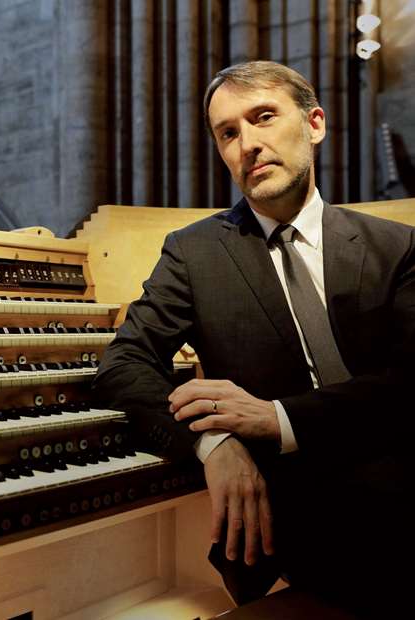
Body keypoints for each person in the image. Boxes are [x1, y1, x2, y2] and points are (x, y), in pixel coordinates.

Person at [93, 60, 412, 616]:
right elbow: (125, 361)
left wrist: (277, 419)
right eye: (228, 132)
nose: (248, 144)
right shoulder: (195, 253)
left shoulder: (397, 248)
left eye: (264, 117)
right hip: (303, 527)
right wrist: (212, 443)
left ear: (314, 123)